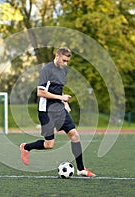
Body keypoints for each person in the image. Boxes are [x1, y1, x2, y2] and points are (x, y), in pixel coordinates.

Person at [20, 47, 96, 177]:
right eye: (64, 60)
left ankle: (81, 169)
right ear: (57, 56)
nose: (66, 64)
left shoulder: (63, 71)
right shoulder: (46, 70)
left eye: (67, 61)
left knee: (75, 136)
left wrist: (64, 103)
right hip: (46, 111)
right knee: (49, 145)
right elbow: (40, 92)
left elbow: (58, 90)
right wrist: (61, 99)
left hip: (59, 109)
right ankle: (26, 147)